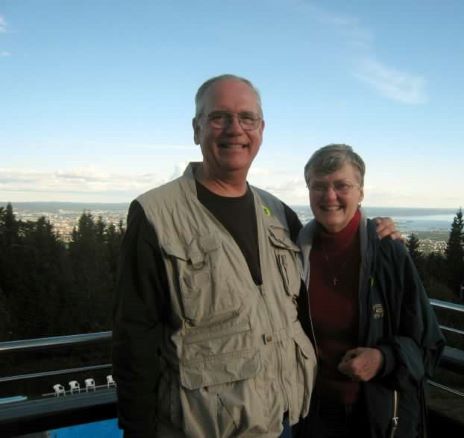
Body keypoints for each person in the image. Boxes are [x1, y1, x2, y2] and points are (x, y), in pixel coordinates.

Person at [112, 75, 398, 438]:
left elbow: (329, 250)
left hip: (285, 421)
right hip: (201, 429)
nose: (235, 129)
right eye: (219, 117)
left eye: (247, 118)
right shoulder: (156, 214)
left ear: (261, 129)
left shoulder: (278, 213)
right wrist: (138, 429)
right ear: (197, 129)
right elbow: (134, 337)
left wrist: (375, 232)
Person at [295, 144, 445, 438]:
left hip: (379, 419)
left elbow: (430, 348)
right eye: (319, 186)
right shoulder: (291, 251)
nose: (330, 196)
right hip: (312, 416)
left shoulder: (388, 253)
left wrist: (383, 359)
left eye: (342, 186)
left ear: (361, 192)